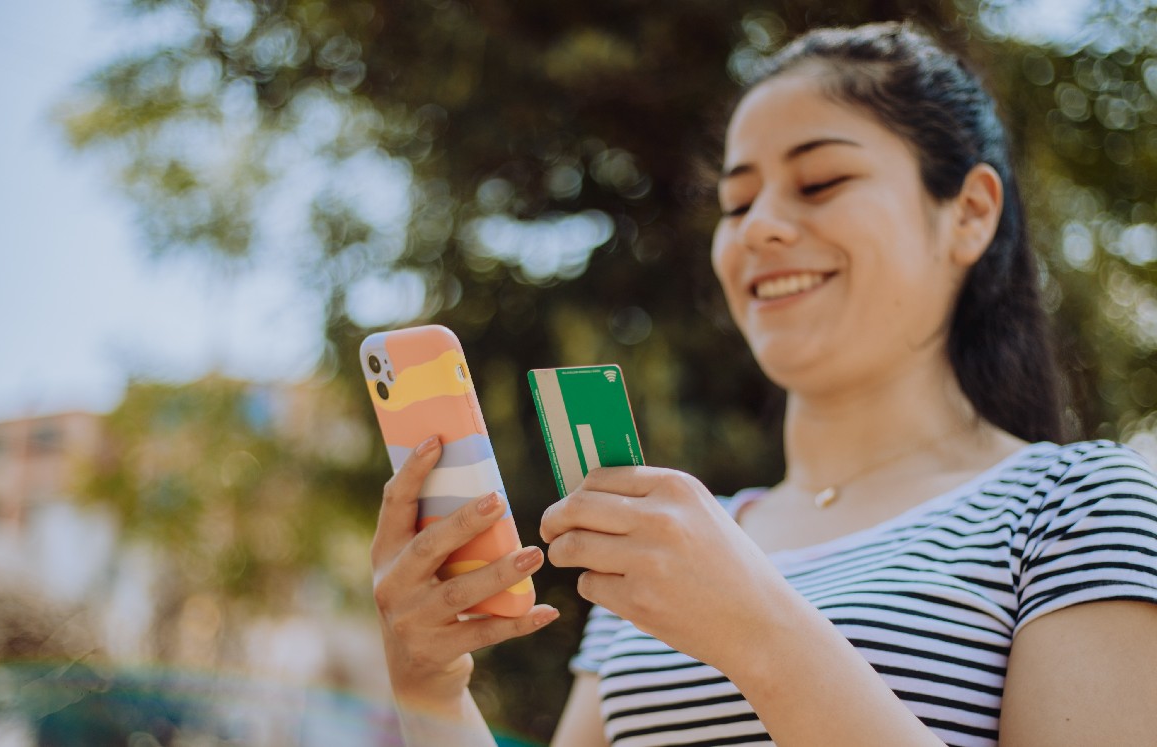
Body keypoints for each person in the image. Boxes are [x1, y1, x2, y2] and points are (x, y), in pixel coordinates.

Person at [369, 21, 1157, 747]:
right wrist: (431, 690)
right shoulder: (669, 542)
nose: (759, 226)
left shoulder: (1077, 506)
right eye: (737, 201)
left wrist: (755, 629)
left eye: (820, 182)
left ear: (970, 212)